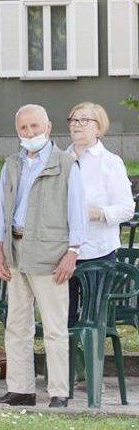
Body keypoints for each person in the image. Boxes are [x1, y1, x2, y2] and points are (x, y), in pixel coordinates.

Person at [0, 105, 87, 408]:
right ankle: (21, 389)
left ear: (48, 126)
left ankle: (58, 392)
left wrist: (72, 252)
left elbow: (78, 214)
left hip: (50, 254)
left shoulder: (67, 164)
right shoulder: (13, 164)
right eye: (23, 128)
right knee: (17, 324)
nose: (29, 133)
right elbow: (3, 209)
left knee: (55, 328)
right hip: (15, 251)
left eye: (34, 126)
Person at [66, 102, 134, 325]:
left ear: (99, 128)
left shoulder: (110, 162)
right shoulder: (60, 160)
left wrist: (97, 213)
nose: (77, 125)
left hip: (98, 251)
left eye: (84, 120)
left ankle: (91, 359)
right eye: (74, 120)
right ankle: (67, 359)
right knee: (65, 317)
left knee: (92, 319)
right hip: (63, 251)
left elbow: (127, 208)